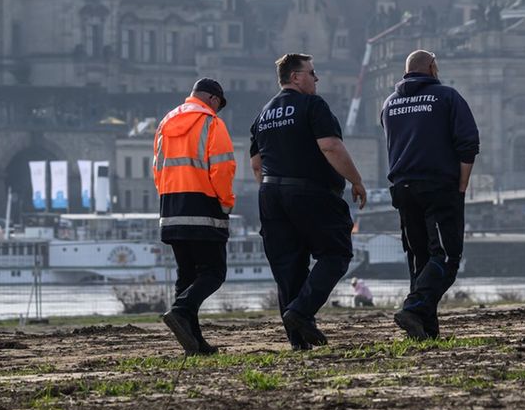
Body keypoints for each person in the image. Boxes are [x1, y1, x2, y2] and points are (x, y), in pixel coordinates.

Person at [250, 53, 368, 350]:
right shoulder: (312, 105)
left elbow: (256, 165)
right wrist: (356, 180)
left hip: (270, 193)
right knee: (335, 253)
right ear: (295, 77)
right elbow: (330, 146)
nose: (316, 78)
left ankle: (297, 340)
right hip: (310, 192)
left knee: (289, 267)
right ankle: (301, 312)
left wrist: (274, 193)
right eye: (311, 73)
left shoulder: (263, 115)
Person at [380, 49, 480, 339]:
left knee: (419, 257)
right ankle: (414, 307)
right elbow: (468, 143)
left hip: (402, 188)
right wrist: (462, 185)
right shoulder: (447, 97)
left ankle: (425, 328)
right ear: (433, 67)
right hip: (438, 186)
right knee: (447, 256)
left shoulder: (389, 103)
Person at [152, 78, 236, 355]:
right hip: (204, 207)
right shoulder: (212, 123)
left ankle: (195, 343)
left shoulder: (165, 123)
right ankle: (180, 310)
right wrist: (226, 203)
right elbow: (222, 170)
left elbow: (157, 168)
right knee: (213, 272)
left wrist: (168, 198)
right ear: (213, 99)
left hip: (171, 207)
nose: (218, 110)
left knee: (186, 276)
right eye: (219, 105)